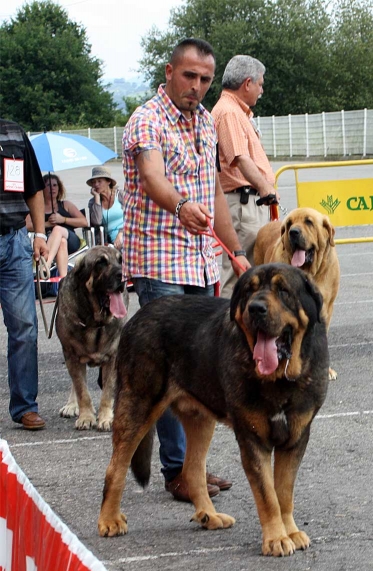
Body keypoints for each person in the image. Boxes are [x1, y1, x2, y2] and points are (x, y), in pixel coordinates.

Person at [122, 38, 250, 502]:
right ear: (170, 70)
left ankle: (189, 468)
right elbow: (154, 177)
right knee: (172, 368)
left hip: (199, 259)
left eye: (204, 80)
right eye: (189, 76)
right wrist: (179, 207)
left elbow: (212, 189)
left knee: (202, 365)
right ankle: (178, 472)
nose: (196, 86)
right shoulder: (147, 119)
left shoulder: (205, 123)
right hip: (159, 258)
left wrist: (234, 251)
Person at [212, 55, 280, 298]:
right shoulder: (229, 112)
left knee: (251, 274)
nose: (261, 90)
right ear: (247, 83)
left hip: (248, 204)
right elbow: (240, 158)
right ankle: (230, 332)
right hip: (243, 205)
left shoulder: (236, 112)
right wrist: (266, 188)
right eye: (260, 84)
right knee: (240, 274)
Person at [0, 118, 49, 430]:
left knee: (25, 327)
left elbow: (33, 187)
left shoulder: (14, 133)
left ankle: (25, 406)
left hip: (15, 240)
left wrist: (41, 234)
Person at [27, 173, 87, 278]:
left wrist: (63, 219)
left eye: (55, 185)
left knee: (58, 229)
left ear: (59, 188)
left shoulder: (66, 204)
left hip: (71, 240)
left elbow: (84, 222)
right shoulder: (37, 207)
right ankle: (63, 280)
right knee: (61, 242)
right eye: (48, 185)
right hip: (48, 243)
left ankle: (46, 264)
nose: (52, 188)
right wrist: (46, 224)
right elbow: (27, 225)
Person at [87, 166, 124, 249]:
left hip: (126, 232)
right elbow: (97, 222)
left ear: (108, 182)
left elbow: (133, 217)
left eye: (99, 181)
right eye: (94, 182)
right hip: (108, 239)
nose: (96, 184)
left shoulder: (121, 195)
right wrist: (97, 197)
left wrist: (121, 232)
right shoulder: (93, 202)